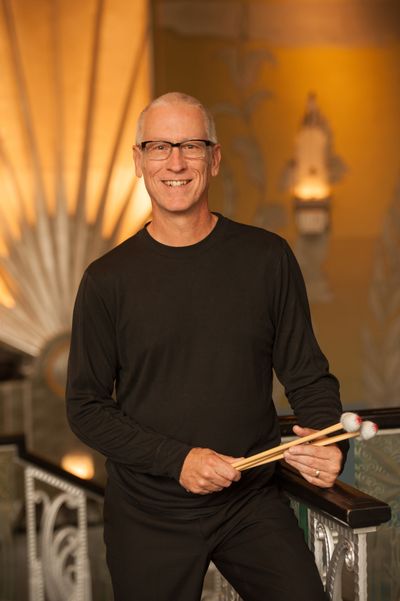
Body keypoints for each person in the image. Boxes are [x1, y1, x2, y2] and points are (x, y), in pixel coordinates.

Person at [66, 92, 347, 601]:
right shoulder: (107, 280)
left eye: (191, 145)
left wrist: (330, 442)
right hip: (147, 513)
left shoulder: (267, 258)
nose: (175, 162)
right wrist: (178, 460)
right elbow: (85, 408)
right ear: (139, 161)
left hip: (250, 504)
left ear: (214, 159)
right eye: (159, 147)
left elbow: (309, 377)